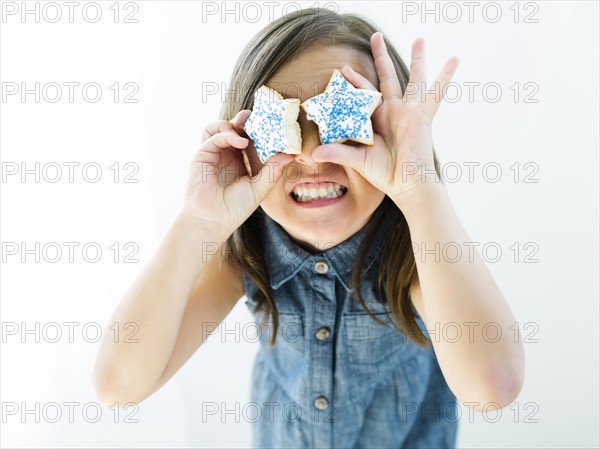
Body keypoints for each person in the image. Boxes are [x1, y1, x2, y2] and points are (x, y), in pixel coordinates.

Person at [92, 7, 525, 449]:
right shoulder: (248, 252)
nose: (314, 156)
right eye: (282, 128)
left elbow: (492, 389)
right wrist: (197, 223)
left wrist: (420, 190)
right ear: (245, 144)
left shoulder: (417, 256)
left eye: (346, 126)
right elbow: (117, 388)